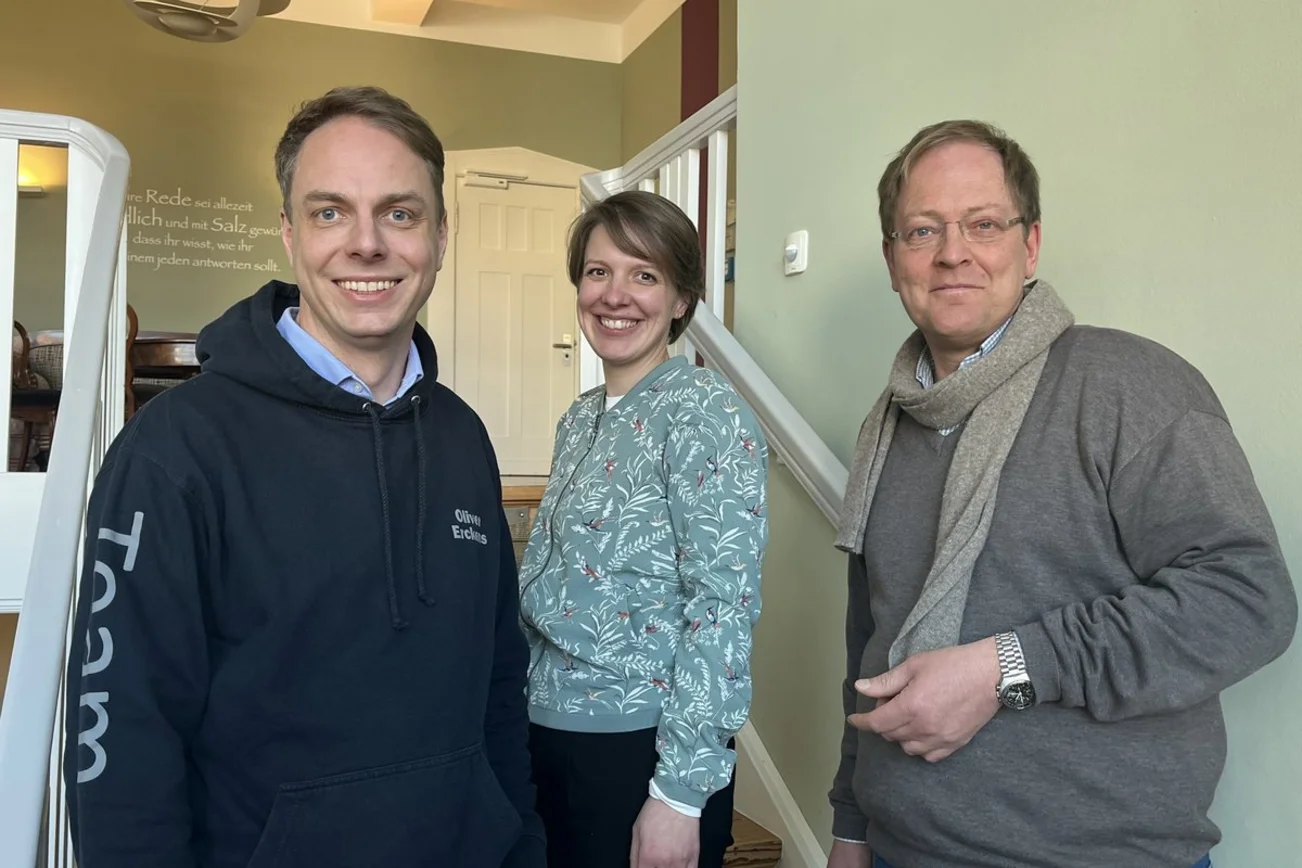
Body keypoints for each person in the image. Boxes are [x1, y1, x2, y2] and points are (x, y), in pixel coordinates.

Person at [63, 86, 545, 868]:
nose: (366, 244)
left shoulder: (462, 439)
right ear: (289, 233)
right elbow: (120, 742)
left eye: (400, 212)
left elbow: (497, 682)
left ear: (441, 235)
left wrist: (520, 846)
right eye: (329, 212)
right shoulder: (175, 452)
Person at [826, 120, 1297, 868]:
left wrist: (1006, 669)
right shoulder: (886, 427)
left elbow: (1248, 601)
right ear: (893, 259)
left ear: (1031, 243)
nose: (953, 252)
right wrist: (850, 827)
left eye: (983, 224)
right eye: (922, 230)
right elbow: (869, 642)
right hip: (898, 847)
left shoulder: (1128, 387)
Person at [518, 190, 769, 868]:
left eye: (645, 275)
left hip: (640, 746)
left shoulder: (705, 414)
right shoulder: (581, 417)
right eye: (598, 272)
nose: (615, 294)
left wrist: (680, 795)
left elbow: (723, 609)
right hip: (546, 731)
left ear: (682, 299)